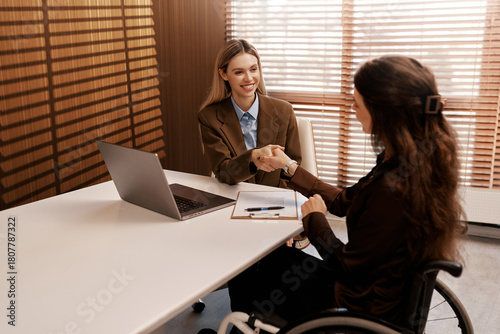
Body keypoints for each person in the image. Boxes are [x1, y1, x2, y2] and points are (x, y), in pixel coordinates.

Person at [227, 55, 466, 331]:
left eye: (357, 103)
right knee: (267, 259)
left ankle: (242, 326)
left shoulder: (394, 190)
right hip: (378, 291)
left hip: (355, 307)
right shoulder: (413, 161)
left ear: (381, 113)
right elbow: (345, 201)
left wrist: (316, 221)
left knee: (250, 267)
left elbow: (346, 265)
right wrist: (290, 168)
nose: (352, 109)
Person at [198, 39, 302, 189]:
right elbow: (223, 172)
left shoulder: (284, 111)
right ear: (223, 74)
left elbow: (292, 169)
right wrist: (252, 157)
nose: (249, 78)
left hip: (278, 201)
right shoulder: (209, 117)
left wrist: (277, 200)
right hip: (234, 199)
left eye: (253, 69)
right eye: (239, 72)